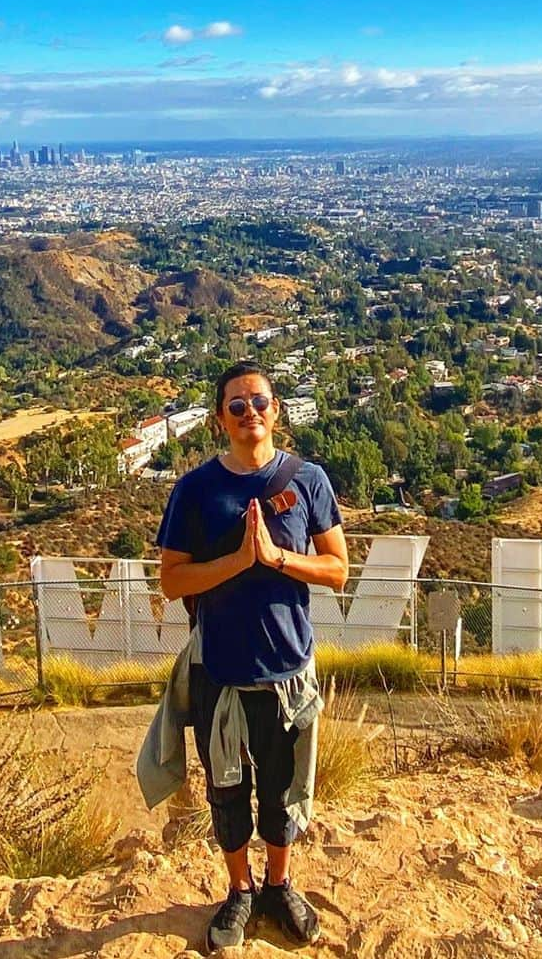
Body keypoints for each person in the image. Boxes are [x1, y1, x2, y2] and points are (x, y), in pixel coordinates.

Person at [156, 361, 348, 953]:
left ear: (276, 409)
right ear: (221, 419)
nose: (249, 413)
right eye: (236, 405)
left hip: (290, 668)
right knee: (227, 791)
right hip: (221, 672)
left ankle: (280, 884)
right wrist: (239, 561)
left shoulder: (308, 480)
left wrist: (275, 558)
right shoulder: (195, 490)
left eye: (258, 401)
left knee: (284, 790)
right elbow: (171, 582)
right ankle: (239, 890)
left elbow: (338, 570)